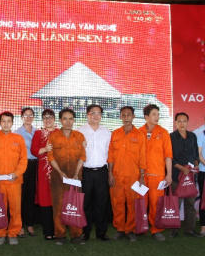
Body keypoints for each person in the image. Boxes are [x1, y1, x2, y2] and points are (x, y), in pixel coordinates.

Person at [0, 111, 28, 245]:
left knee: (15, 209)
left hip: (14, 181)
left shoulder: (18, 139)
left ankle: (13, 233)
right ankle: (1, 233)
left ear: (12, 123)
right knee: (0, 209)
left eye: (9, 121)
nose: (6, 124)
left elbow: (23, 159)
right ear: (0, 122)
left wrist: (17, 173)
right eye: (3, 121)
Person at [47, 108, 85, 245]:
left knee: (75, 205)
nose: (68, 122)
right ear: (60, 120)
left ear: (74, 120)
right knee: (58, 206)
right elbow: (50, 156)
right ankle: (60, 235)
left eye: (70, 119)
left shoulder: (79, 136)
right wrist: (59, 172)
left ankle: (76, 235)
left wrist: (76, 173)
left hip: (75, 177)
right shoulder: (53, 136)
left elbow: (82, 156)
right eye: (65, 119)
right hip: (58, 177)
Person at [108, 106, 146, 242]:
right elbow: (110, 156)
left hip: (133, 176)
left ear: (133, 117)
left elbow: (142, 157)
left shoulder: (140, 135)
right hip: (117, 175)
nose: (126, 117)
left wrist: (142, 176)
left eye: (128, 115)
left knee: (132, 204)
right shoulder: (115, 134)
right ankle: (119, 229)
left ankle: (130, 229)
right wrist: (110, 174)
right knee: (117, 203)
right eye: (123, 115)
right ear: (120, 117)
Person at [139, 104, 173, 241]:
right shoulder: (138, 132)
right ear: (146, 117)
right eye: (154, 114)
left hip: (157, 175)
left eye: (158, 114)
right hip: (140, 176)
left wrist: (169, 174)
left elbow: (168, 156)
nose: (157, 117)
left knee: (156, 204)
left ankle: (156, 230)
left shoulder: (163, 132)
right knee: (141, 203)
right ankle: (140, 227)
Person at [78, 104, 112, 241]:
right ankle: (85, 232)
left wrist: (110, 173)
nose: (96, 116)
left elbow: (110, 154)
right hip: (86, 172)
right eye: (93, 113)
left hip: (102, 172)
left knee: (101, 203)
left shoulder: (107, 132)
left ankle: (101, 233)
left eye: (98, 113)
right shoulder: (80, 131)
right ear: (88, 115)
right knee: (85, 203)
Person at [169, 112, 201, 238]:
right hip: (177, 176)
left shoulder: (192, 136)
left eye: (184, 121)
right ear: (175, 123)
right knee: (175, 204)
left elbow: (196, 155)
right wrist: (182, 168)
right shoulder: (171, 137)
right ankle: (174, 230)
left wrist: (196, 165)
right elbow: (169, 158)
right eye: (179, 121)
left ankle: (190, 229)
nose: (182, 124)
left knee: (190, 204)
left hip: (190, 177)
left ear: (187, 122)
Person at [31, 109, 57, 240]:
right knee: (45, 198)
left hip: (58, 170)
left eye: (50, 117)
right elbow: (34, 150)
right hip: (43, 171)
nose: (48, 120)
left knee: (57, 199)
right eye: (45, 117)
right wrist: (45, 149)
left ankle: (58, 230)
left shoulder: (60, 132)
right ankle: (48, 231)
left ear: (54, 119)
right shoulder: (38, 133)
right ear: (42, 120)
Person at [15, 107, 37, 237]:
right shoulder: (17, 133)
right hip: (22, 166)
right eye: (26, 115)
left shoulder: (37, 132)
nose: (28, 118)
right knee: (20, 196)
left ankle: (29, 224)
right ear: (21, 117)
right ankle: (19, 225)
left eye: (31, 115)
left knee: (31, 195)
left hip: (35, 166)